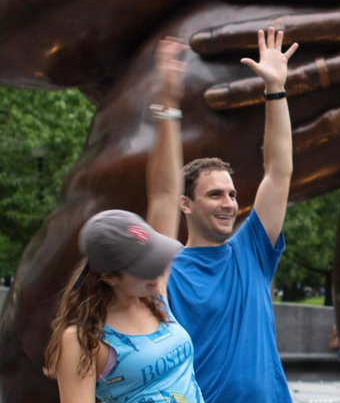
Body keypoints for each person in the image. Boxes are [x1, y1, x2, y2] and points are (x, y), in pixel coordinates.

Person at [43, 39, 198, 402]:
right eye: (146, 266)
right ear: (110, 276)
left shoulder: (153, 294)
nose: (158, 270)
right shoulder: (83, 339)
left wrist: (168, 105)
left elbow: (163, 192)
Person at [166, 27, 298, 403]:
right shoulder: (164, 272)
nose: (229, 203)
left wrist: (275, 90)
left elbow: (278, 170)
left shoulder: (252, 250)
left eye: (232, 194)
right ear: (185, 204)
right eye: (214, 195)